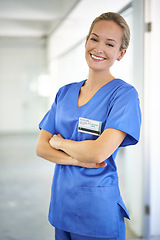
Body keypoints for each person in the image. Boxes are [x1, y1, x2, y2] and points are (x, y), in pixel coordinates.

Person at [36, 12, 141, 240]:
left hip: (97, 211)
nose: (99, 48)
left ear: (120, 54)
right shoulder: (64, 93)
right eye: (94, 39)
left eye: (110, 44)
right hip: (62, 204)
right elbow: (42, 148)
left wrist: (60, 142)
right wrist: (76, 158)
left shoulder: (123, 96)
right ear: (86, 41)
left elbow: (98, 152)